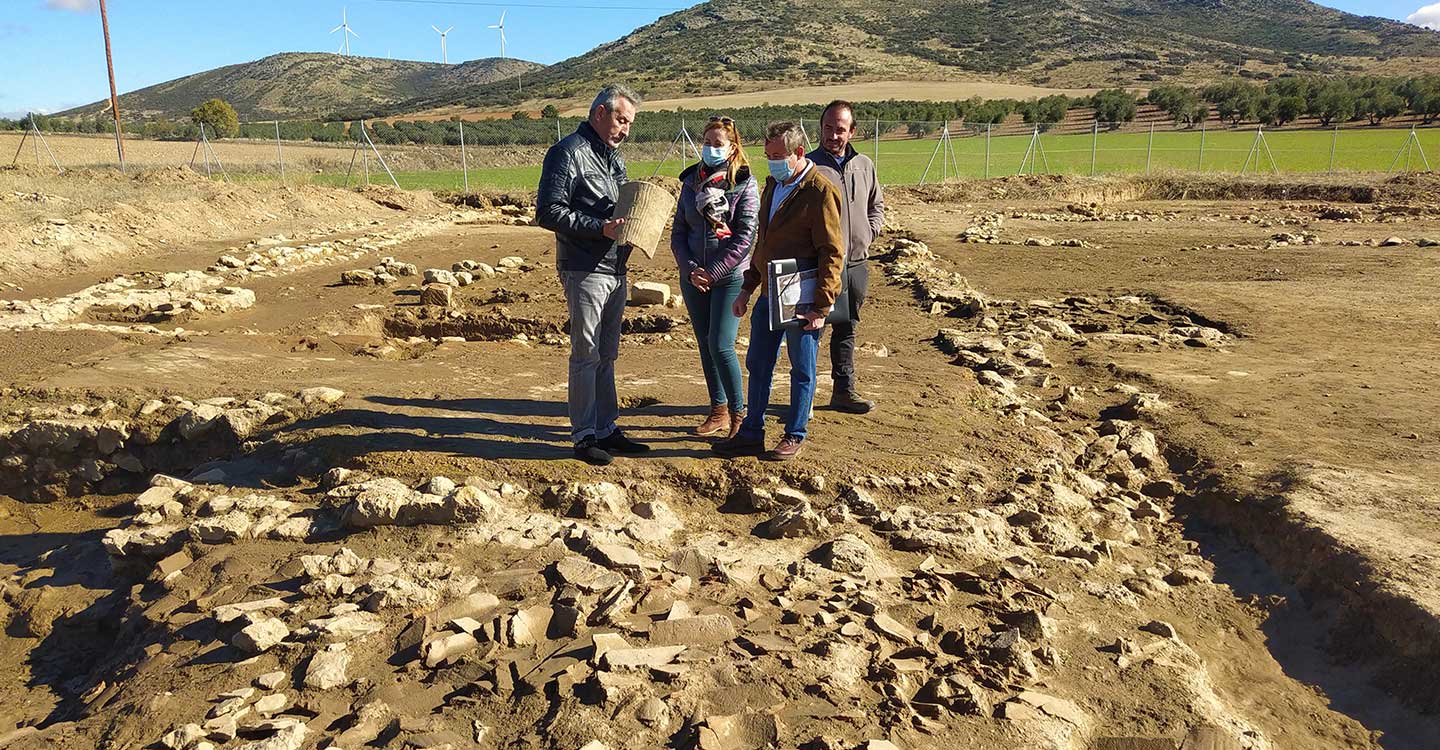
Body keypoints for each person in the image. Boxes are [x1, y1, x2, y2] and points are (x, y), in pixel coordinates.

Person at [713, 121, 845, 462]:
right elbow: (764, 243)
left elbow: (832, 251)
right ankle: (752, 432)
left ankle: (794, 433)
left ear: (798, 153)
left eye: (777, 155)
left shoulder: (819, 191)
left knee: (802, 368)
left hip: (802, 297)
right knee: (758, 363)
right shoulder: (774, 184)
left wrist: (822, 305)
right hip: (769, 292)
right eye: (768, 154)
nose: (771, 161)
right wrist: (747, 289)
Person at [537, 84, 651, 466]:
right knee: (586, 353)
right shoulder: (567, 153)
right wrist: (599, 226)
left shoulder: (612, 158)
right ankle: (584, 435)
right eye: (621, 120)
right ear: (600, 113)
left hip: (614, 265)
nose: (625, 130)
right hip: (584, 265)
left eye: (630, 123)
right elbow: (548, 212)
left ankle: (606, 427)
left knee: (607, 353)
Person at [669, 116, 760, 439]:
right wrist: (690, 268)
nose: (710, 149)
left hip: (730, 276)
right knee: (706, 345)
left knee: (721, 344)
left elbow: (745, 235)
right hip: (694, 277)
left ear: (733, 147)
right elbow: (678, 231)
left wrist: (714, 271)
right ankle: (717, 410)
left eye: (718, 144)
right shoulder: (691, 180)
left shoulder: (744, 183)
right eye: (707, 142)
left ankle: (739, 414)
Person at [808, 100, 884, 414]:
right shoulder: (809, 166)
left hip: (856, 264)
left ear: (852, 131)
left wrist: (869, 233)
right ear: (820, 128)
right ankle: (805, 398)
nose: (833, 135)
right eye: (828, 128)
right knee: (813, 329)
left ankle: (843, 391)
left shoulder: (864, 165)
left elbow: (876, 206)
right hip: (821, 265)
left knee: (847, 328)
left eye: (840, 129)